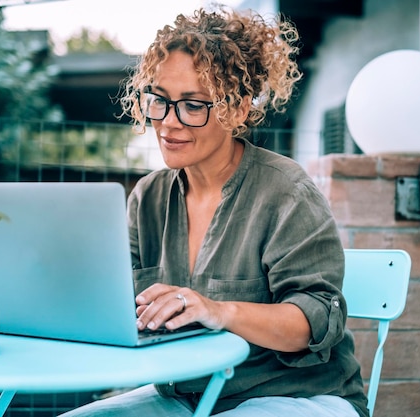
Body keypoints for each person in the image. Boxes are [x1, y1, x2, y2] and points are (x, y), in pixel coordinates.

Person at [61, 5, 368, 417]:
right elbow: (121, 304)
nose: (168, 124)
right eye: (160, 100)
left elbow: (312, 321)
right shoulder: (148, 198)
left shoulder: (286, 192)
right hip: (187, 397)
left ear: (236, 109)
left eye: (192, 105)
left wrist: (217, 310)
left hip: (297, 396)